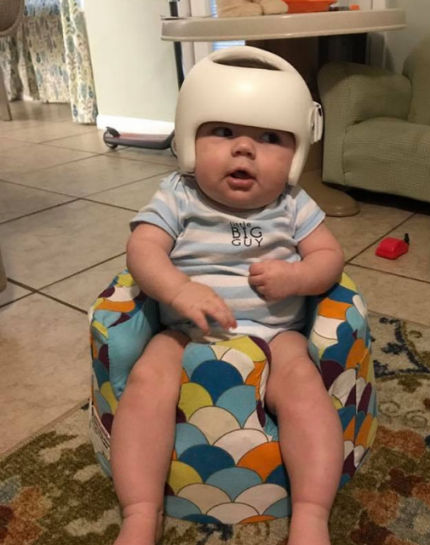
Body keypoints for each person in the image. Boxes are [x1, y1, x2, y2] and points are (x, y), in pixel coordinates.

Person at [110, 46, 345, 545]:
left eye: (270, 137)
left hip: (276, 334)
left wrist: (297, 277)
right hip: (182, 332)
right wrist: (179, 288)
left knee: (306, 389)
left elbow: (329, 257)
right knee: (146, 382)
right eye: (222, 131)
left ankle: (311, 514)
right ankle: (139, 511)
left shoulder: (293, 204)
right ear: (188, 139)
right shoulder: (178, 194)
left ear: (297, 154)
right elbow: (142, 250)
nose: (244, 149)